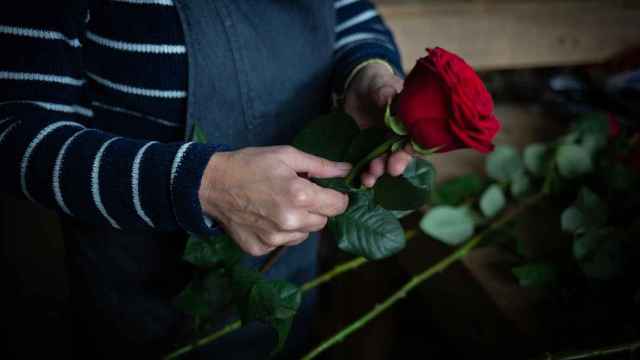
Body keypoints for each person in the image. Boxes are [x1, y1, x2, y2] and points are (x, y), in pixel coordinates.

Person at [0, 0, 411, 357]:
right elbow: (15, 129)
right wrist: (199, 184)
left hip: (289, 273)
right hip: (141, 297)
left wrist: (368, 70)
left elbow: (346, 11)